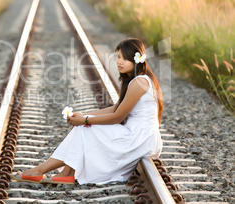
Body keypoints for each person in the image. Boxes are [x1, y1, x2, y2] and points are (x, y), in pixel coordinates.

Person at [11, 38, 163, 185]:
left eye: (125, 59)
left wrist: (85, 120)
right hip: (136, 134)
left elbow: (117, 117)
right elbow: (115, 108)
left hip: (139, 138)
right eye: (118, 57)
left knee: (85, 127)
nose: (119, 62)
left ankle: (45, 171)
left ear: (137, 60)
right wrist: (84, 115)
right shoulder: (137, 80)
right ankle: (62, 173)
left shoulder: (139, 82)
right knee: (84, 127)